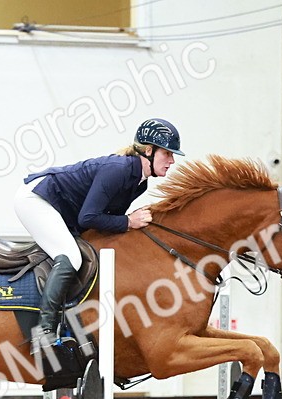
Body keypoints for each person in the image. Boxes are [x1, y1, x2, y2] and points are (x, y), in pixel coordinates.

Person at [14, 118, 183, 350]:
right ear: (148, 151)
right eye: (167, 154)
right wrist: (129, 221)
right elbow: (89, 218)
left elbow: (103, 222)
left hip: (62, 208)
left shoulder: (140, 183)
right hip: (37, 199)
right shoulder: (119, 170)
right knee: (71, 257)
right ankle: (43, 331)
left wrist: (128, 223)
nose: (172, 161)